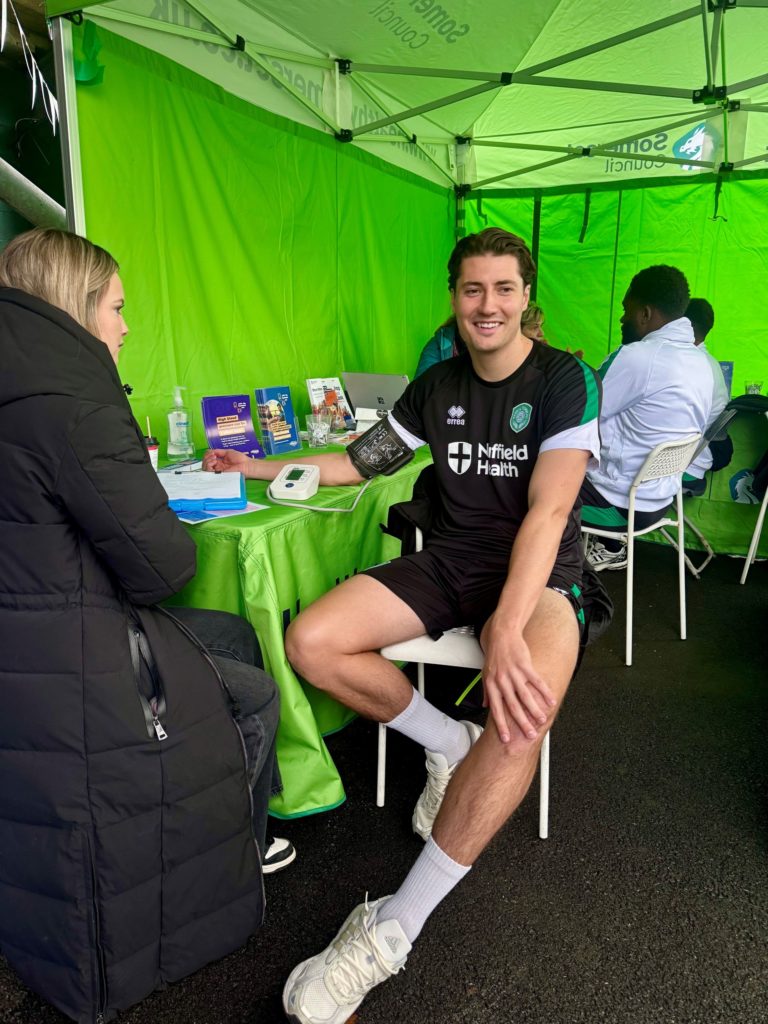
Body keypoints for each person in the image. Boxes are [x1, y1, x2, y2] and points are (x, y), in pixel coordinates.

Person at [204, 226, 602, 1024]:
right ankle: (448, 744)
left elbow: (551, 510)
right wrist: (247, 464)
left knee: (522, 716)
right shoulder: (436, 385)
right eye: (471, 290)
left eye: (503, 289)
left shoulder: (565, 379)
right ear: (454, 297)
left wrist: (507, 626)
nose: (487, 305)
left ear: (528, 298)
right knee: (310, 641)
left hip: (542, 572)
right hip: (451, 560)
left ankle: (389, 930)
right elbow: (358, 461)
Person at [0, 229, 292, 1022]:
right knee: (257, 693)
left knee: (230, 635)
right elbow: (164, 569)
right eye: (118, 309)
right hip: (82, 660)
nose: (127, 328)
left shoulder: (27, 385)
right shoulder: (73, 402)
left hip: (30, 647)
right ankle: (237, 842)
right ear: (76, 308)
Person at [581, 265, 715, 571]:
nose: (622, 318)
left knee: (523, 475)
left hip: (616, 506)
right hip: (660, 501)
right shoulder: (702, 363)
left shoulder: (638, 356)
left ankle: (542, 587)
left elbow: (580, 411)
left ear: (645, 314)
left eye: (626, 310)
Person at [681, 297, 732, 496]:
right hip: (707, 450)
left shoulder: (689, 364)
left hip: (691, 461)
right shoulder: (711, 363)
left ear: (685, 325)